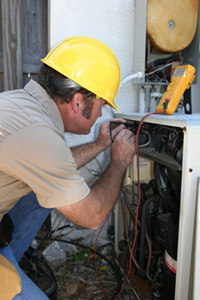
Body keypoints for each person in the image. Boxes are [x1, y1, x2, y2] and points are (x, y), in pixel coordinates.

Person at [0, 36, 136, 299]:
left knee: (44, 194)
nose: (99, 115)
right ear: (77, 101)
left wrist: (99, 145)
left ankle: (11, 264)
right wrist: (119, 161)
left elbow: (54, 167)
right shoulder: (38, 134)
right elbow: (91, 215)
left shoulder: (24, 107)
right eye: (101, 105)